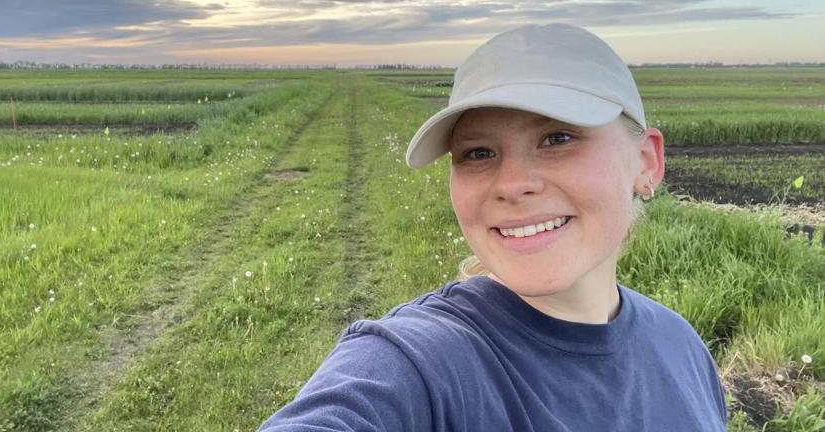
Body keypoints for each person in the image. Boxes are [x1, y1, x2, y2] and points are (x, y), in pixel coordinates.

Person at [259, 23, 728, 431]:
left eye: (557, 138)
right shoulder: (413, 365)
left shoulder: (682, 348)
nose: (511, 184)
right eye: (479, 153)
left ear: (646, 162)